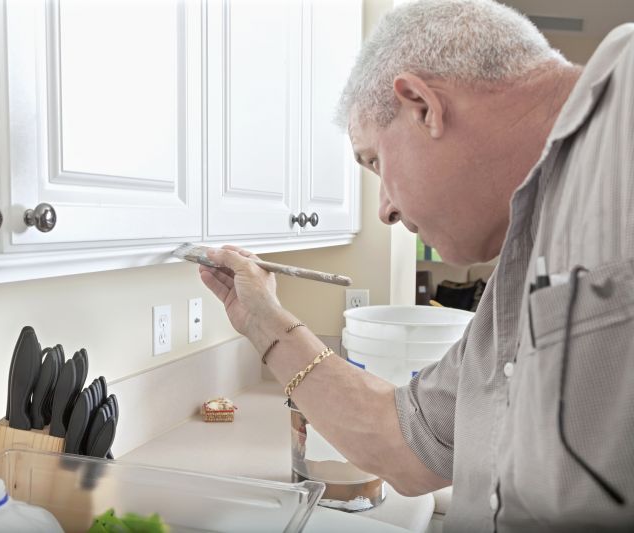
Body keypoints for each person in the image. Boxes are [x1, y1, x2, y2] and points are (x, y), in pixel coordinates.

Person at [197, 0, 634, 531]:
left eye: (375, 161)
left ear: (422, 106)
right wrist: (261, 318)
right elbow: (405, 441)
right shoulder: (512, 284)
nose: (384, 208)